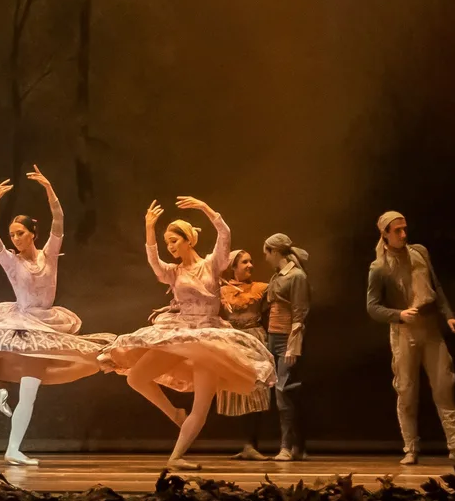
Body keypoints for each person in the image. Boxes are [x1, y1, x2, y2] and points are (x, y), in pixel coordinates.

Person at [0, 167, 110, 466]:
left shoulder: (49, 252)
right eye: (13, 235)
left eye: (20, 233)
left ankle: (13, 449)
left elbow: (59, 220)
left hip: (44, 326)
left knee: (30, 393)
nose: (16, 238)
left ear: (33, 233)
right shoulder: (10, 261)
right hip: (19, 322)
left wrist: (49, 188)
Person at [98, 196, 274, 470]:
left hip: (208, 338)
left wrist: (205, 209)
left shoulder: (212, 264)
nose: (170, 247)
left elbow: (224, 233)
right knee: (136, 377)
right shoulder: (173, 272)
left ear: (188, 240)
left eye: (174, 240)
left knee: (201, 406)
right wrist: (149, 230)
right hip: (180, 335)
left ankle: (176, 456)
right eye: (167, 242)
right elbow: (154, 263)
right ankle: (174, 413)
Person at [366, 210, 455, 465]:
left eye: (405, 229)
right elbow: (372, 307)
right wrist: (399, 314)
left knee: (444, 384)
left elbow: (435, 286)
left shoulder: (419, 252)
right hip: (404, 331)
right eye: (397, 231)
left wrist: (447, 314)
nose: (403, 234)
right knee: (406, 390)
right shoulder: (379, 267)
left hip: (429, 326)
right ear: (384, 234)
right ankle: (410, 447)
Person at [215, 249, 271, 460]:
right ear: (234, 267)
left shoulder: (260, 288)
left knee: (256, 390)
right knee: (237, 392)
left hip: (254, 338)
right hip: (233, 340)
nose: (250, 265)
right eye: (244, 262)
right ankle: (246, 444)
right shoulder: (221, 292)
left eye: (250, 261)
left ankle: (252, 443)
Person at [261, 233, 311, 460]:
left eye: (266, 253)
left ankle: (286, 447)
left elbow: (300, 313)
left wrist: (293, 346)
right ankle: (297, 445)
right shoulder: (277, 276)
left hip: (286, 339)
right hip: (273, 338)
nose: (265, 257)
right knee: (282, 392)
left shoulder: (296, 276)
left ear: (275, 252)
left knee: (283, 392)